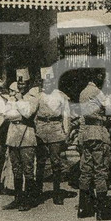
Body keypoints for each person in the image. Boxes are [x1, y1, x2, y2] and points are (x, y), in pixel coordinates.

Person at [74, 72, 111, 221]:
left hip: (87, 133)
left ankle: (84, 208)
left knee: (86, 170)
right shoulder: (97, 92)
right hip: (99, 133)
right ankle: (102, 211)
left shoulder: (83, 92)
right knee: (100, 170)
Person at [3, 70, 39, 211]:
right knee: (16, 168)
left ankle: (28, 200)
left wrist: (19, 101)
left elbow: (28, 113)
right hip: (13, 135)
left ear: (28, 84)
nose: (20, 86)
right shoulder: (13, 97)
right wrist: (18, 115)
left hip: (27, 136)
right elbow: (6, 115)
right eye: (19, 84)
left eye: (23, 84)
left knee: (28, 169)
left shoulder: (32, 97)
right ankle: (18, 199)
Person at [35, 67, 71, 206]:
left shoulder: (61, 96)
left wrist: (66, 133)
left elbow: (66, 116)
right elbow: (34, 115)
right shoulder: (39, 96)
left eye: (50, 81)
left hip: (55, 130)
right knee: (40, 162)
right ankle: (38, 191)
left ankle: (57, 193)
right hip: (41, 130)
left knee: (56, 162)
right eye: (45, 81)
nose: (48, 84)